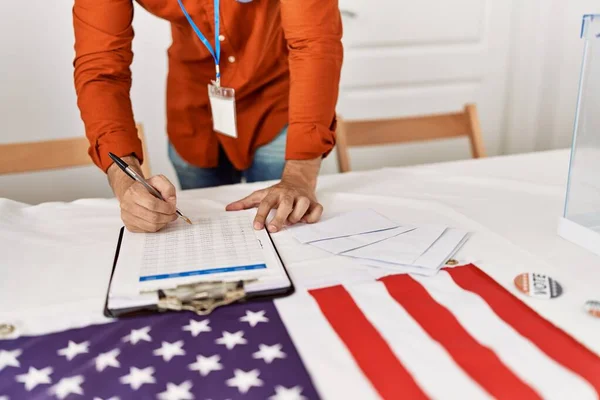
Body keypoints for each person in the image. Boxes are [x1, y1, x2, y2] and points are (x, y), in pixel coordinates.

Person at [72, 0, 343, 233]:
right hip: (194, 112)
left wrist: (300, 175)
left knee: (285, 230)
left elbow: (314, 44)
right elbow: (101, 68)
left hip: (277, 103)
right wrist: (126, 181)